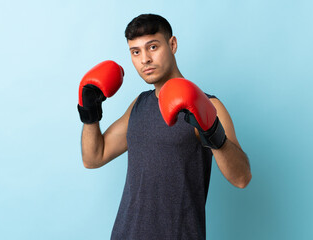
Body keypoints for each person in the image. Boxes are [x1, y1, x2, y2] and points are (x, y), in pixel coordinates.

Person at [78, 14, 252, 240]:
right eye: (136, 51)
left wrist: (212, 132)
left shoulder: (208, 105)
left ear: (172, 44)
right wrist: (90, 113)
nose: (145, 59)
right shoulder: (139, 105)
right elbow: (94, 157)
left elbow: (242, 178)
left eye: (152, 47)